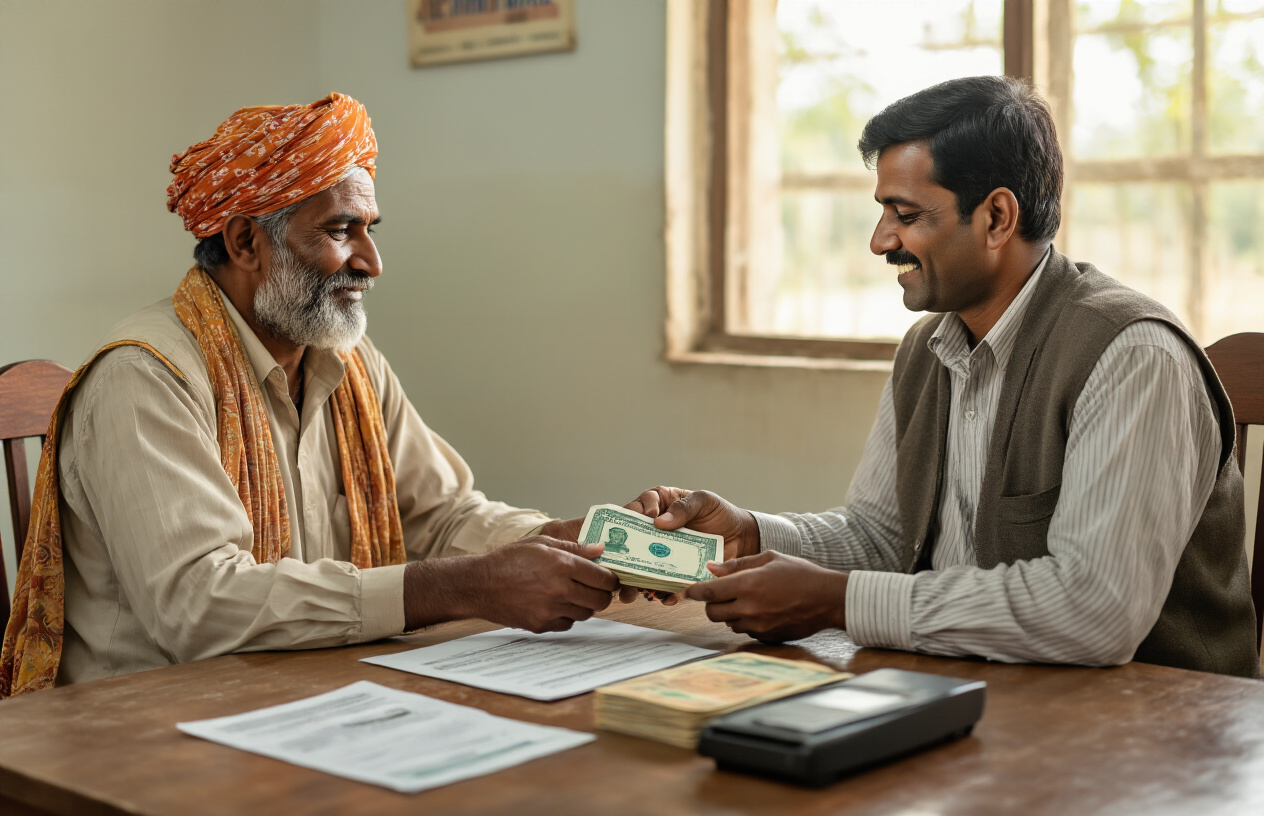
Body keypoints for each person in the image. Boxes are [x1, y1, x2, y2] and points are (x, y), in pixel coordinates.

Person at [0, 93, 626, 697]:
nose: (371, 261)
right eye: (340, 230)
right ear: (246, 242)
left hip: (306, 689)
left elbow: (441, 516)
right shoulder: (144, 376)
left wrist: (568, 543)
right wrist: (456, 587)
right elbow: (199, 605)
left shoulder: (347, 364)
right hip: (145, 722)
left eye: (369, 229)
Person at [632, 76, 1259, 678]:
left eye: (904, 214)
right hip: (995, 699)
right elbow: (882, 539)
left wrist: (839, 601)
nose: (880, 242)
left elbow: (1095, 612)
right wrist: (750, 533)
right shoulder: (926, 349)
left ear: (996, 218)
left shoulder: (1132, 355)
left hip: (1156, 733)